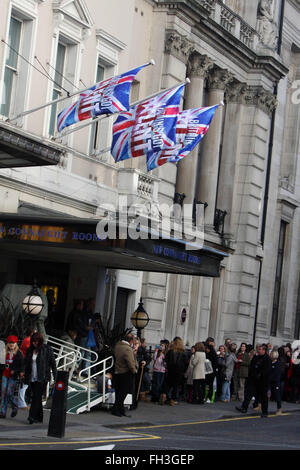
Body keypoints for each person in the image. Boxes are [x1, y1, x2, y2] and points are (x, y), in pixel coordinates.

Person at [24, 332, 57, 424]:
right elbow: (26, 364)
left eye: (37, 341)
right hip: (32, 377)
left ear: (41, 341)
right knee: (37, 397)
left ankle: (31, 416)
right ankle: (39, 417)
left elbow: (53, 364)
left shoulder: (47, 349)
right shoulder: (30, 350)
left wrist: (55, 377)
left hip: (43, 377)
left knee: (36, 397)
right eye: (33, 341)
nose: (35, 343)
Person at [236, 344, 272, 418]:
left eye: (260, 349)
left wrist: (260, 374)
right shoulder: (256, 357)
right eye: (258, 349)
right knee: (249, 394)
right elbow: (252, 366)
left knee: (263, 397)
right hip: (253, 380)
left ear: (264, 350)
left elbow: (267, 371)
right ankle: (244, 408)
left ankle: (265, 412)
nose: (258, 350)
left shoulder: (267, 359)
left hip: (262, 381)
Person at [111, 333, 138, 417]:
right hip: (126, 373)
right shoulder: (127, 349)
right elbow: (130, 362)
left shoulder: (117, 346)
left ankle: (120, 409)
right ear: (130, 341)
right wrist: (134, 370)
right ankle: (116, 409)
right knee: (123, 393)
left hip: (117, 371)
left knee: (118, 392)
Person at [0, 336, 24, 419]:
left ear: (16, 343)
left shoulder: (19, 353)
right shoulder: (3, 352)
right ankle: (2, 412)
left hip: (13, 375)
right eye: (10, 342)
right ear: (7, 343)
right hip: (5, 373)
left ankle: (15, 406)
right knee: (3, 393)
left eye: (13, 343)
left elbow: (21, 366)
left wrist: (16, 371)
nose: (11, 344)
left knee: (9, 393)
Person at [164, 337, 189, 406]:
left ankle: (164, 395)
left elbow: (166, 360)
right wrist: (184, 371)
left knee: (168, 385)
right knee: (175, 386)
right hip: (179, 372)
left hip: (170, 370)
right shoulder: (184, 353)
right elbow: (186, 363)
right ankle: (173, 400)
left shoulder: (170, 351)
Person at [18, 328, 36, 410]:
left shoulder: (26, 340)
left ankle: (22, 402)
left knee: (24, 384)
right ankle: (21, 403)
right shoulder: (29, 341)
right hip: (26, 364)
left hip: (24, 363)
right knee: (24, 384)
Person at [136, 338, 151, 402]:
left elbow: (147, 358)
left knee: (145, 381)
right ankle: (140, 395)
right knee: (144, 381)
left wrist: (145, 361)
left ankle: (142, 395)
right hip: (139, 368)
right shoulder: (139, 349)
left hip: (143, 368)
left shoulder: (143, 349)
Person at [269, 350, 282, 415]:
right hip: (269, 381)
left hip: (275, 382)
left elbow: (276, 374)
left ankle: (279, 409)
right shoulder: (270, 362)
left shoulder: (278, 363)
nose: (270, 355)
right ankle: (259, 405)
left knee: (277, 396)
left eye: (271, 354)